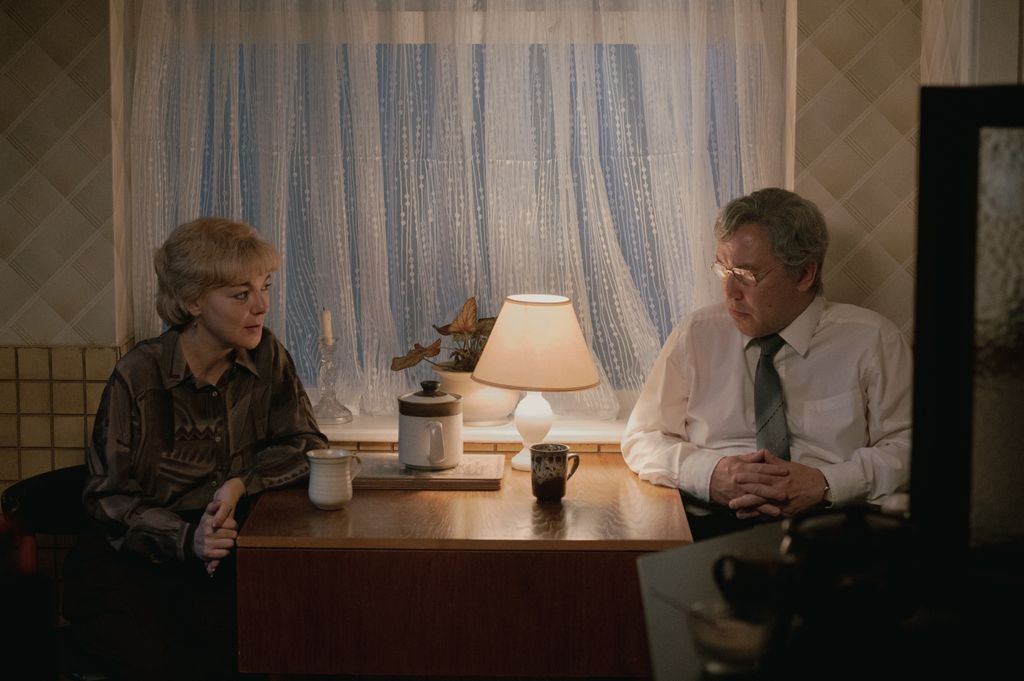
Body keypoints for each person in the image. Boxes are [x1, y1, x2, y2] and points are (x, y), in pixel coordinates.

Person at [63, 217, 328, 679]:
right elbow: (104, 498)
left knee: (271, 643)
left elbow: (307, 445)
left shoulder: (267, 356)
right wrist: (187, 539)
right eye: (241, 294)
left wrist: (240, 483)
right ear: (192, 302)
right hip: (133, 562)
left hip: (221, 556)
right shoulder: (139, 375)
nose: (262, 306)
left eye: (264, 287)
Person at [621, 188, 911, 540]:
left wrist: (826, 483)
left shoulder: (871, 340)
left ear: (804, 274)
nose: (730, 292)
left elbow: (908, 448)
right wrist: (710, 473)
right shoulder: (697, 335)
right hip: (709, 523)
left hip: (832, 530)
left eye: (746, 274)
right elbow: (642, 437)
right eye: (723, 270)